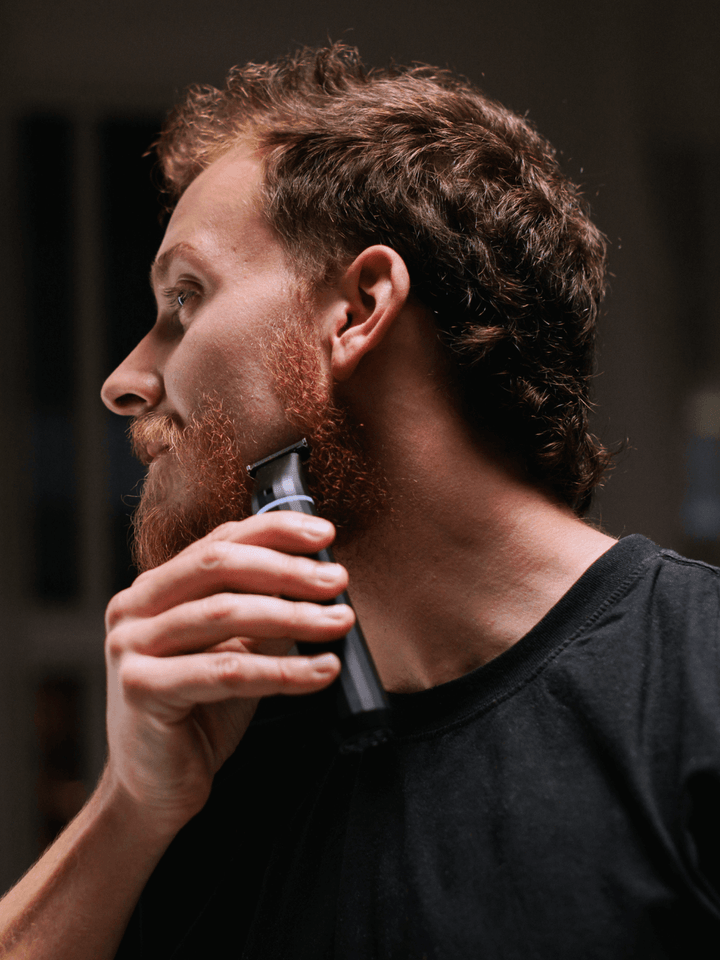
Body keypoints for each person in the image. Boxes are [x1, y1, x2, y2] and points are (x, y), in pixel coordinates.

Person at [2, 43, 720, 959]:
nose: (122, 382)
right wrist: (129, 810)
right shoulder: (219, 762)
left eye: (186, 296)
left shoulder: (699, 684)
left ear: (359, 308)